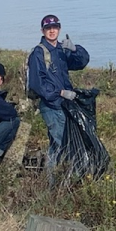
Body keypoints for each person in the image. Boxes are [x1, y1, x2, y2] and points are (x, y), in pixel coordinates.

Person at [27, 14, 90, 163]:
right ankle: (60, 180)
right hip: (51, 105)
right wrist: (59, 92)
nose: (52, 30)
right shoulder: (38, 53)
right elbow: (37, 83)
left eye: (54, 27)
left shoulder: (62, 50)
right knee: (64, 143)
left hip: (65, 104)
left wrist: (75, 50)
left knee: (57, 146)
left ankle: (50, 182)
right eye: (48, 28)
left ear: (59, 29)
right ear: (42, 31)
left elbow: (81, 63)